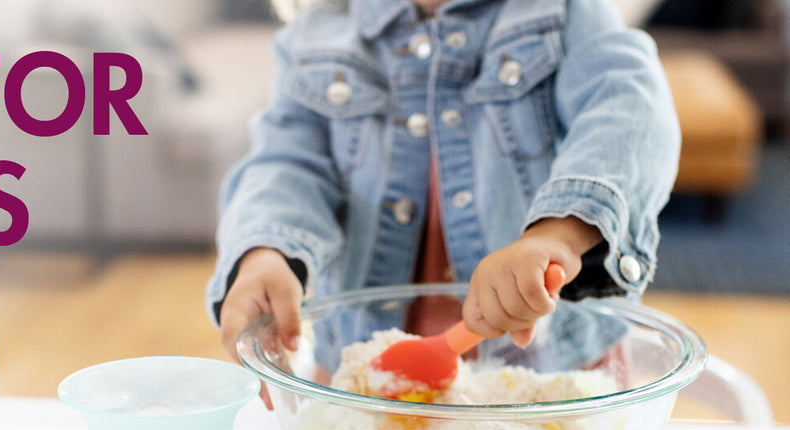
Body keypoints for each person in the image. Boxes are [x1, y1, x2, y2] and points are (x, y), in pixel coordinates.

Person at [207, 0, 680, 397]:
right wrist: (266, 252)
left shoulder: (564, 12)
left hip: (553, 375)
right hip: (367, 378)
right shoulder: (316, 36)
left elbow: (629, 112)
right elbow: (286, 164)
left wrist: (556, 233)